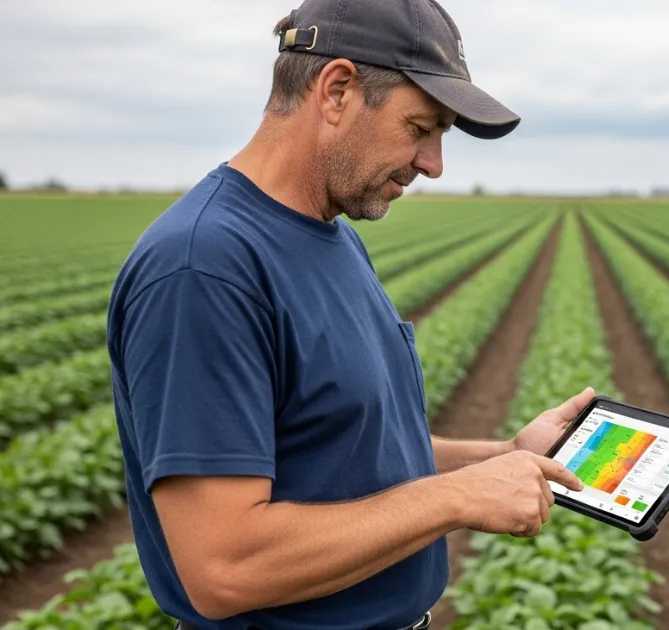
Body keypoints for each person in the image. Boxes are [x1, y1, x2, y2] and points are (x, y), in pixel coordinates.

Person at [104, 0, 587, 628]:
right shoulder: (205, 267)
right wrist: (454, 499)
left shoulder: (331, 237)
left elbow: (345, 454)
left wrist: (499, 457)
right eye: (421, 128)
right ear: (336, 90)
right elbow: (225, 568)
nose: (434, 165)